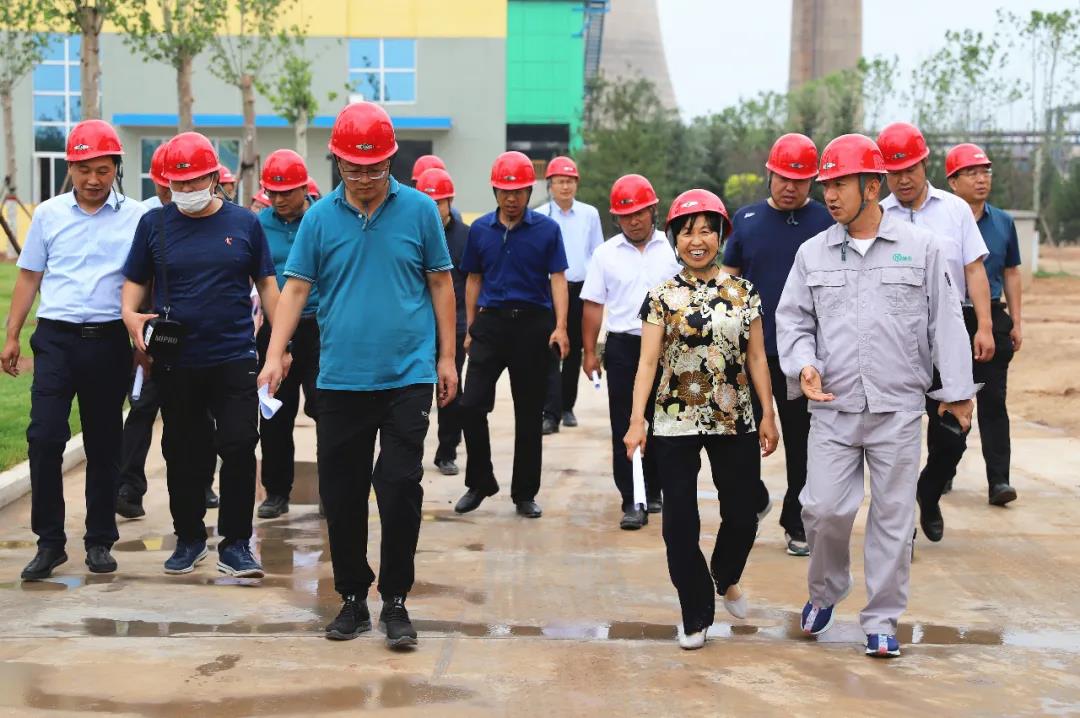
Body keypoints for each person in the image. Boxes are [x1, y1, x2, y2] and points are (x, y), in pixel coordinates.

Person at [257, 102, 458, 649]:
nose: (365, 178)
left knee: (399, 487)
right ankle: (351, 598)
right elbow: (295, 289)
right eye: (353, 167)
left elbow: (441, 283)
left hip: (406, 374)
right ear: (337, 162)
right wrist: (275, 354)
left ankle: (395, 599)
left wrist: (445, 358)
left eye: (375, 167)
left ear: (391, 160)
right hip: (341, 377)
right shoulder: (319, 219)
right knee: (342, 494)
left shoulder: (419, 210)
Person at [775, 134, 978, 658]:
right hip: (834, 406)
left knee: (893, 518)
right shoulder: (812, 253)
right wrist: (804, 365)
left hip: (898, 408)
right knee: (822, 509)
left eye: (840, 184)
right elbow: (792, 321)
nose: (829, 196)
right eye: (826, 186)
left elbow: (946, 321)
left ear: (872, 185)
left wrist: (958, 392)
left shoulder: (922, 247)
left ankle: (882, 619)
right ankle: (826, 590)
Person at [121, 131, 280, 579]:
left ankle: (236, 544)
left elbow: (268, 286)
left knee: (239, 445)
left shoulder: (244, 224)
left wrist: (279, 348)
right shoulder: (155, 225)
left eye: (194, 181)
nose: (187, 190)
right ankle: (189, 537)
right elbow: (135, 280)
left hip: (233, 355)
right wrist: (130, 315)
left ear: (214, 177)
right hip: (177, 360)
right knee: (183, 450)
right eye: (178, 183)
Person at [624, 189, 778, 651]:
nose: (698, 240)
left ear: (721, 237)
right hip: (674, 419)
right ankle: (695, 613)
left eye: (707, 231)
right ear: (675, 239)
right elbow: (647, 363)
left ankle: (724, 574)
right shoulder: (661, 297)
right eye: (688, 232)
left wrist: (768, 413)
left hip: (734, 417)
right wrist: (636, 420)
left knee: (743, 514)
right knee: (679, 525)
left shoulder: (744, 292)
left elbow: (757, 357)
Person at [2, 120, 145, 580]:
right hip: (55, 340)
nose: (93, 180)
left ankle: (100, 540)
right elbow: (30, 275)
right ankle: (49, 543)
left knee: (104, 443)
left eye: (102, 170)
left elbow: (146, 279)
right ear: (70, 168)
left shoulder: (137, 217)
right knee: (44, 437)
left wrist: (143, 341)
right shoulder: (48, 214)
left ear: (117, 167)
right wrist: (12, 335)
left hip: (108, 341)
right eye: (83, 170)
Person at [876, 122, 995, 541]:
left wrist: (984, 325)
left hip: (951, 329)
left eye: (910, 169)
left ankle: (929, 491)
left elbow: (974, 269)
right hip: (898, 336)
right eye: (894, 173)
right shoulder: (878, 216)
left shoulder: (955, 210)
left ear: (925, 163)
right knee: (897, 438)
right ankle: (901, 530)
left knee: (953, 430)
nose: (903, 180)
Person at [721, 133, 833, 557]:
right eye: (784, 178)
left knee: (802, 443)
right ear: (769, 174)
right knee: (739, 437)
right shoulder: (746, 219)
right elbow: (730, 281)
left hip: (802, 354)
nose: (790, 187)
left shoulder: (825, 221)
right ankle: (754, 496)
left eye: (800, 180)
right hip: (752, 350)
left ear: (812, 182)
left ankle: (796, 521)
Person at [452, 151, 569, 520]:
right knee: (470, 405)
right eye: (505, 191)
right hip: (490, 325)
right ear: (495, 191)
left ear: (529, 191)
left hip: (533, 326)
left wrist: (561, 326)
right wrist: (471, 327)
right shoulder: (479, 230)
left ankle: (524, 493)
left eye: (519, 191)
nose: (512, 198)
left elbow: (558, 279)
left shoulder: (547, 230)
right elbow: (473, 279)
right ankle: (480, 481)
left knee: (529, 414)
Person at [916, 143, 1021, 536]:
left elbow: (1008, 272)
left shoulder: (1002, 222)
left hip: (982, 316)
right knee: (940, 408)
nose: (981, 179)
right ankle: (938, 479)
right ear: (953, 181)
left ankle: (998, 479)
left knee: (990, 403)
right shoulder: (934, 217)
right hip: (931, 321)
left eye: (985, 171)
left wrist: (1006, 323)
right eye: (972, 173)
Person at [117, 138, 218, 519]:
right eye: (166, 185)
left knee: (201, 414)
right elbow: (134, 276)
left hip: (197, 338)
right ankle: (129, 486)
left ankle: (203, 482)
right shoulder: (144, 218)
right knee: (142, 407)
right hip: (150, 331)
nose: (173, 192)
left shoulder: (210, 216)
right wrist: (137, 329)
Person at [581, 173, 680, 530]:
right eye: (626, 215)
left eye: (640, 212)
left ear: (654, 210)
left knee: (665, 423)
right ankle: (633, 499)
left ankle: (656, 490)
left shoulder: (673, 249)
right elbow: (593, 304)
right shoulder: (605, 255)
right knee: (626, 424)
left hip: (668, 347)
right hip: (625, 347)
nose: (634, 221)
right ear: (616, 218)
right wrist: (589, 352)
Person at [254, 149, 320, 519]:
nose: (278, 200)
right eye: (272, 193)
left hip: (320, 328)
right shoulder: (258, 226)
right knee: (275, 413)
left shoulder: (323, 219)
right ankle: (277, 492)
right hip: (275, 328)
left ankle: (333, 492)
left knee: (328, 409)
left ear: (304, 188)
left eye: (287, 192)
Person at [536, 156, 604, 434]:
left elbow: (596, 252)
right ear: (550, 185)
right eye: (560, 181)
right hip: (549, 290)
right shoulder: (540, 215)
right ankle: (550, 412)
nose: (565, 187)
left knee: (575, 350)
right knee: (551, 351)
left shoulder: (590, 214)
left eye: (570, 181)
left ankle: (567, 407)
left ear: (576, 184)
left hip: (580, 289)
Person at [416, 167, 471, 476]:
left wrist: (471, 326)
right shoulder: (412, 234)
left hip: (454, 325)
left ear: (450, 201)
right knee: (417, 393)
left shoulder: (465, 236)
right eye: (428, 202)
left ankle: (447, 452)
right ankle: (410, 451)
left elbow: (474, 282)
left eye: (439, 202)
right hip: (419, 328)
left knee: (450, 390)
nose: (434, 209)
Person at [143, 143, 172, 209]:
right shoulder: (143, 210)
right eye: (164, 187)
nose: (170, 193)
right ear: (154, 181)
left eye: (176, 188)